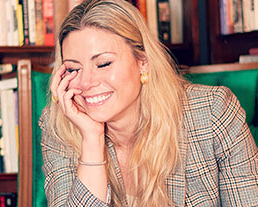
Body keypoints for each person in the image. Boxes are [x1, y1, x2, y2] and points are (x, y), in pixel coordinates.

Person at [40, 0, 258, 206]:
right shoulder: (58, 127)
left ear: (142, 62)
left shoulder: (213, 112)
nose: (86, 82)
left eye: (103, 63)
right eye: (72, 69)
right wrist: (92, 139)